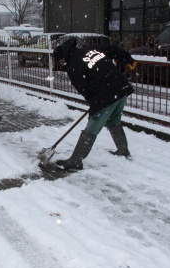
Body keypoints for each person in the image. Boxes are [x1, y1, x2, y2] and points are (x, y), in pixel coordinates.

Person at [52, 38, 137, 170]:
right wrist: (129, 60)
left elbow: (84, 89)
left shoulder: (73, 66)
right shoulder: (89, 49)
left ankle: (76, 161)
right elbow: (113, 50)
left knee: (91, 129)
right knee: (114, 121)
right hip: (121, 88)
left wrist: (95, 105)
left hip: (107, 95)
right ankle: (123, 150)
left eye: (62, 60)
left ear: (65, 55)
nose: (62, 63)